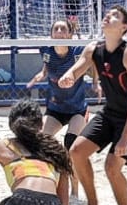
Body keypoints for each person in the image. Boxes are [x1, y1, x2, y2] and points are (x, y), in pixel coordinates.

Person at [56, 5, 127, 205]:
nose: (108, 16)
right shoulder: (93, 49)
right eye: (108, 13)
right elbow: (77, 69)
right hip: (110, 112)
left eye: (115, 15)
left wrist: (125, 136)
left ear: (124, 27)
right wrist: (68, 76)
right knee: (76, 152)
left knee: (112, 167)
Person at [27, 20, 91, 154]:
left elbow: (92, 62)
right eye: (56, 29)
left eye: (63, 29)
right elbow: (47, 63)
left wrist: (96, 81)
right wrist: (42, 73)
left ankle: (72, 166)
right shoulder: (46, 51)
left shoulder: (78, 51)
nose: (59, 32)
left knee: (70, 143)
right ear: (51, 34)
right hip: (56, 109)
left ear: (70, 35)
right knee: (40, 142)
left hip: (77, 110)